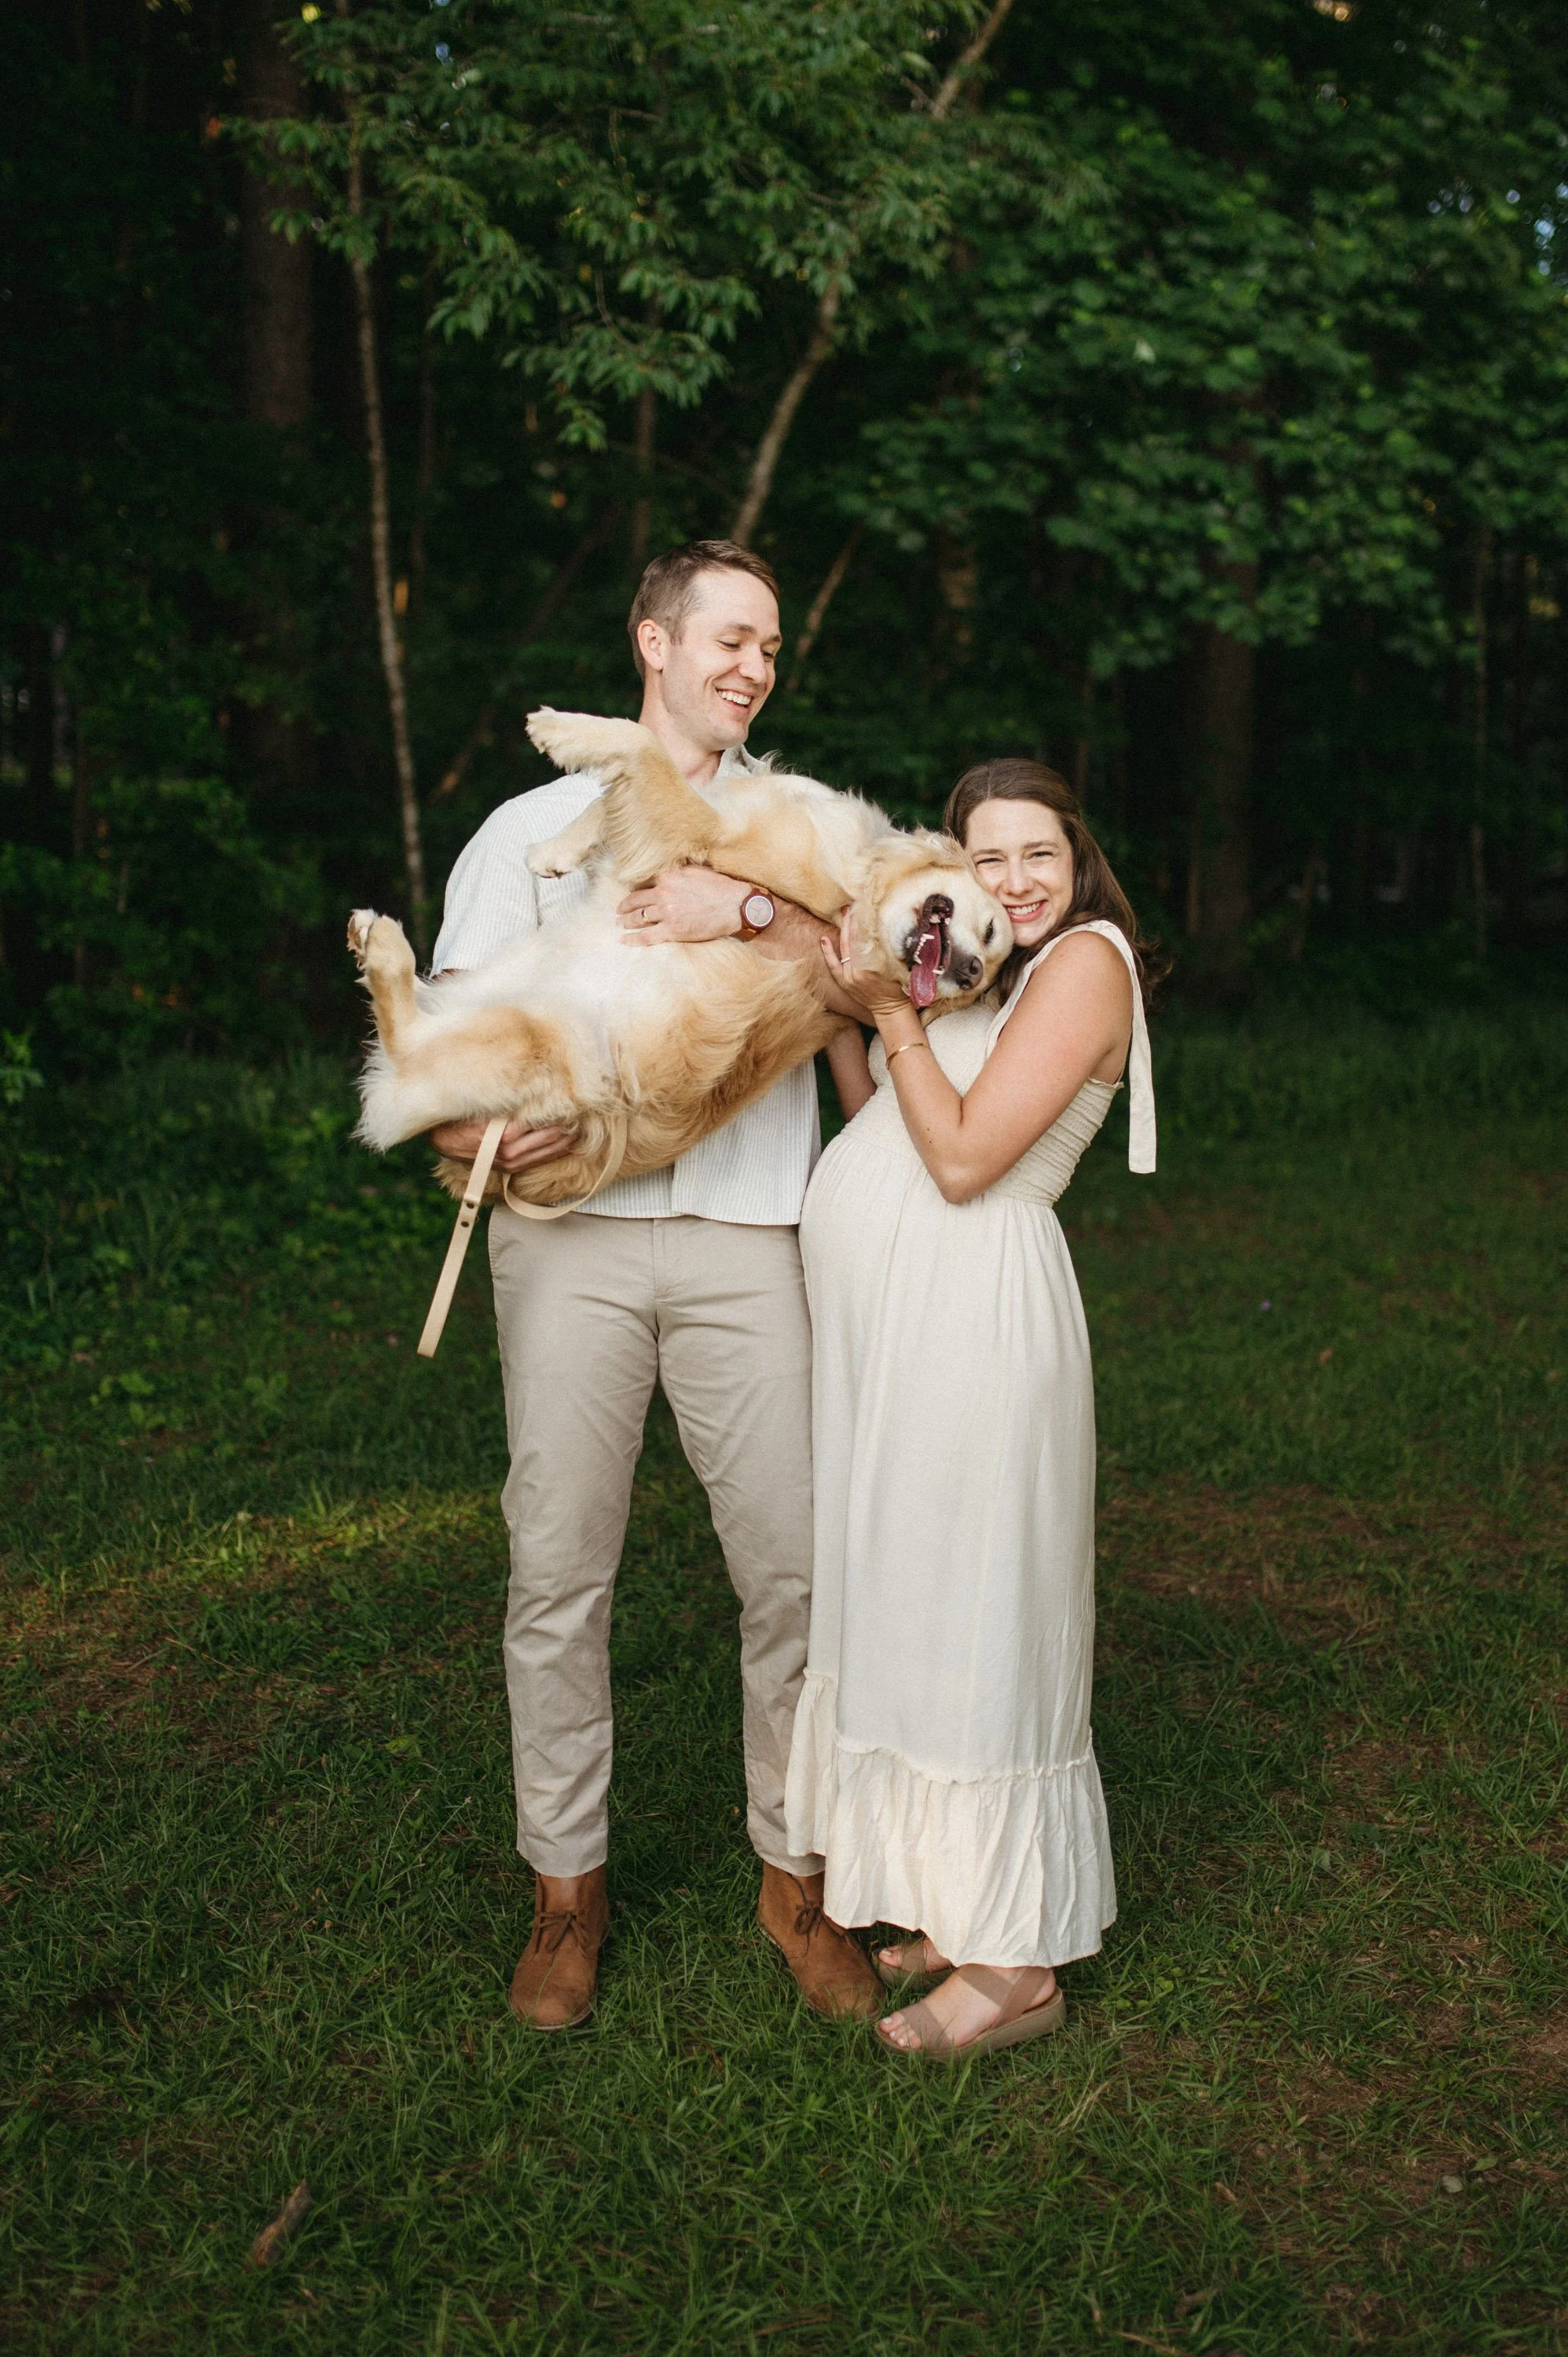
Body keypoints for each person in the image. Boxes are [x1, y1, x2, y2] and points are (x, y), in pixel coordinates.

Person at [429, 540, 881, 2030]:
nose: (752, 664)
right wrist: (483, 1126)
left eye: (769, 644)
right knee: (559, 1568)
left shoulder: (803, 826)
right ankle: (568, 1891)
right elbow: (443, 1052)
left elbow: (885, 969)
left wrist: (743, 912)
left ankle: (795, 1873)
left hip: (757, 1232)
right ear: (653, 645)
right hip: (569, 1243)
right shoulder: (528, 834)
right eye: (728, 638)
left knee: (800, 1571)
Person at [783, 757, 1158, 2058]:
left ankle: (1019, 1972)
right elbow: (890, 1121)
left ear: (1078, 857)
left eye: (1037, 854)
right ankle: (962, 1902)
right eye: (985, 857)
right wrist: (856, 1016)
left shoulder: (1087, 963)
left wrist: (885, 1010)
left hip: (979, 1324)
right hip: (905, 1333)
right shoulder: (990, 968)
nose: (1012, 880)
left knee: (983, 1611)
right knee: (918, 1605)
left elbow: (960, 1160)